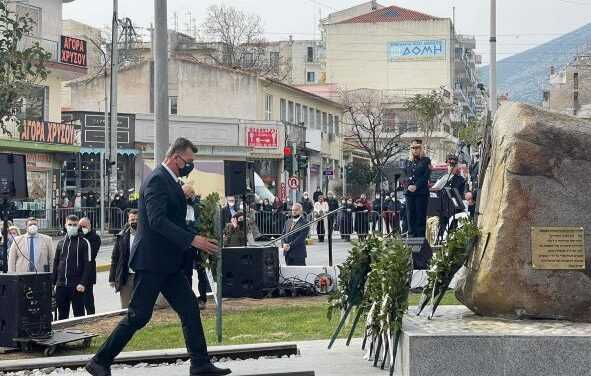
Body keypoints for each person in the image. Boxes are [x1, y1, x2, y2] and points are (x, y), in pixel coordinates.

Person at [86, 138, 230, 376]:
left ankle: (200, 364)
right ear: (176, 158)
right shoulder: (156, 181)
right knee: (138, 316)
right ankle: (100, 361)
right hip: (152, 262)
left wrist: (196, 235)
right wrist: (193, 240)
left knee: (190, 309)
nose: (190, 165)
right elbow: (157, 221)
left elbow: (173, 220)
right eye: (189, 161)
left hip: (168, 264)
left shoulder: (170, 181)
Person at [53, 215, 92, 320]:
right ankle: (62, 336)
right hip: (61, 285)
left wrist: (83, 283)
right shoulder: (61, 243)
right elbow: (56, 263)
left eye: (74, 225)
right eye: (70, 224)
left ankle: (83, 336)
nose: (72, 227)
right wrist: (53, 283)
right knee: (62, 317)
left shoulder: (84, 242)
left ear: (78, 226)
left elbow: (88, 266)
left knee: (79, 316)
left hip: (77, 286)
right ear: (65, 225)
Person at [182, 184, 209, 309]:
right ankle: (188, 298)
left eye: (186, 195)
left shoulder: (201, 206)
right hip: (186, 243)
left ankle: (202, 298)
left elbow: (202, 223)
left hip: (199, 241)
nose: (185, 197)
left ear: (192, 193)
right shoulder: (181, 205)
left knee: (201, 272)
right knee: (186, 272)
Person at [109, 209, 138, 309]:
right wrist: (112, 278)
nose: (134, 221)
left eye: (137, 219)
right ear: (128, 220)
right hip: (126, 277)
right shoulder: (121, 236)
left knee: (140, 307)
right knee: (125, 308)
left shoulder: (146, 236)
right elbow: (115, 258)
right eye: (132, 219)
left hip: (142, 277)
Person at [404, 139, 431, 238]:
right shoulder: (407, 162)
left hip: (421, 193)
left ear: (421, 149)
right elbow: (404, 175)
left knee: (420, 217)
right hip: (409, 193)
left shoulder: (426, 160)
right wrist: (408, 185)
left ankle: (420, 240)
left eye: (417, 148)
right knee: (410, 217)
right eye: (413, 148)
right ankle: (411, 239)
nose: (415, 150)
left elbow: (426, 176)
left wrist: (416, 186)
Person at [79, 217, 101, 315]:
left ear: (90, 226)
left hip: (88, 273)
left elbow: (90, 255)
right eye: (80, 226)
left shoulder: (94, 238)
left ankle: (91, 317)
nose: (82, 228)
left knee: (88, 299)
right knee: (78, 301)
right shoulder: (78, 236)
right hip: (77, 272)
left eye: (84, 226)